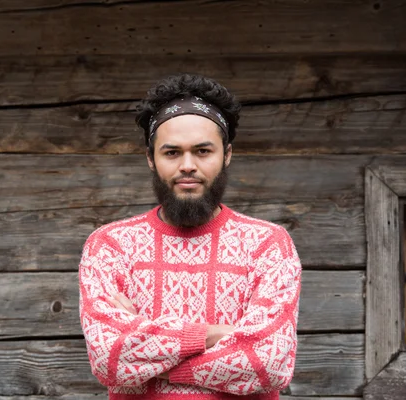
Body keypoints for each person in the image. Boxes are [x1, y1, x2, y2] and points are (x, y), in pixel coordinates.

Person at [78, 74, 302, 400]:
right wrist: (213, 335)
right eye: (171, 153)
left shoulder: (268, 245)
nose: (187, 165)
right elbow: (108, 360)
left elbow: (270, 364)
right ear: (150, 159)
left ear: (226, 155)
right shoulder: (110, 247)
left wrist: (149, 355)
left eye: (202, 151)